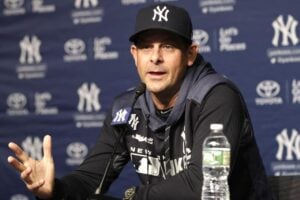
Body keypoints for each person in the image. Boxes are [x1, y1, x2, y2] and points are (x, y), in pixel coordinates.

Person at [7, 3, 273, 200]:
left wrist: (134, 196)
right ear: (135, 54)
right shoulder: (127, 107)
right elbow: (91, 178)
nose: (155, 57)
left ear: (190, 54)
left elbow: (202, 184)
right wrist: (56, 188)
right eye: (146, 47)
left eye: (168, 46)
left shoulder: (216, 97)